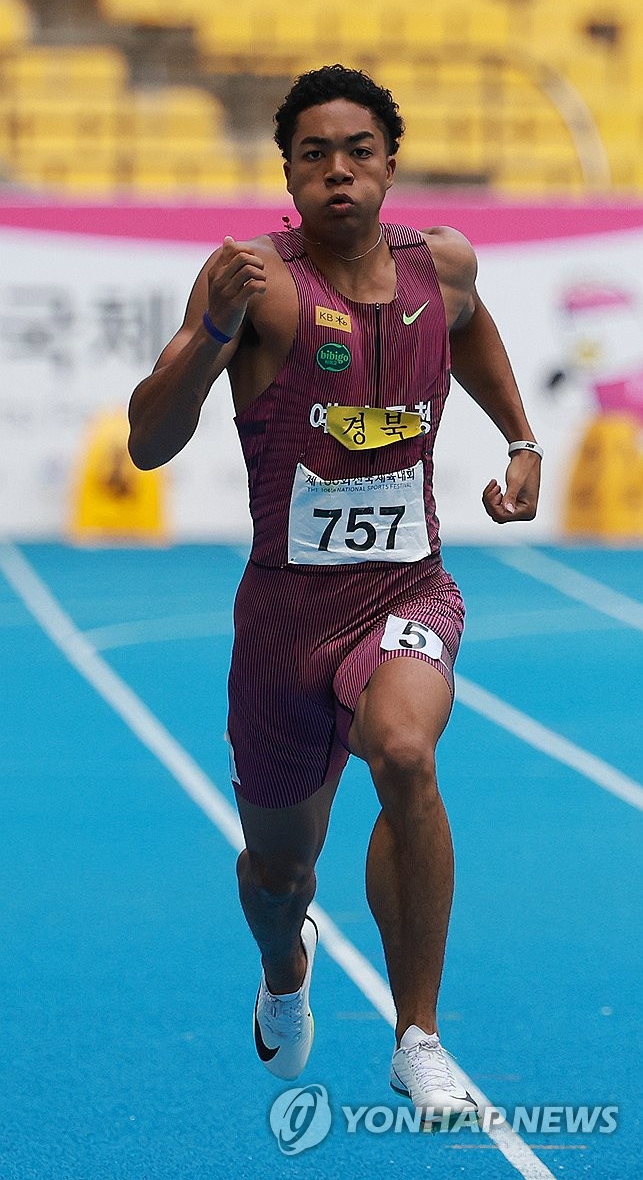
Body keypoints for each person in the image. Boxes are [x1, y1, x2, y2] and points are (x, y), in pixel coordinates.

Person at [128, 63, 541, 1124]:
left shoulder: (441, 266)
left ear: (390, 164)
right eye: (314, 155)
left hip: (407, 589)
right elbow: (147, 442)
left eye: (358, 151)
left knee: (404, 751)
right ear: (288, 175)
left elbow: (471, 326)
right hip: (283, 621)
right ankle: (284, 967)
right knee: (279, 878)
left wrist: (521, 437)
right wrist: (211, 334)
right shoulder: (251, 282)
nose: (338, 171)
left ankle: (418, 1038)